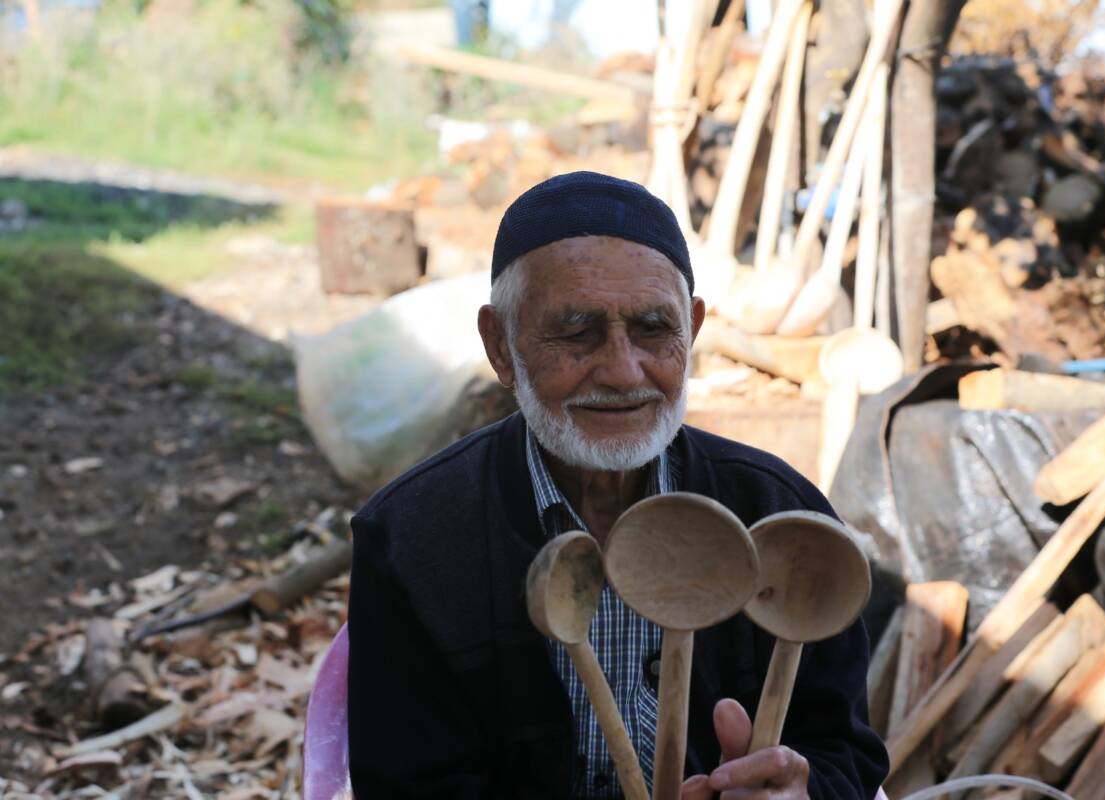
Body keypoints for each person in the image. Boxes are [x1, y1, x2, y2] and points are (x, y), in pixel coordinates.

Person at [347, 171, 888, 799]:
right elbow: (405, 783)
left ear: (693, 329)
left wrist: (802, 790)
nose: (623, 370)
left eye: (654, 330)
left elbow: (844, 751)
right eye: (576, 333)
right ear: (500, 346)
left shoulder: (779, 515)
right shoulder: (412, 539)